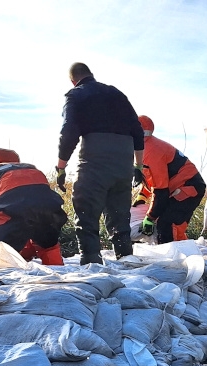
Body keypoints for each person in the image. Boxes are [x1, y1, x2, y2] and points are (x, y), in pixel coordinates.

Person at [56, 62, 145, 264]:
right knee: (119, 216)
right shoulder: (117, 94)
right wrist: (138, 166)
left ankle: (91, 265)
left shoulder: (76, 94)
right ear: (91, 74)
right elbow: (137, 131)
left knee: (86, 210)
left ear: (73, 79)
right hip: (123, 163)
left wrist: (61, 167)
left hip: (95, 160)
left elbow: (68, 132)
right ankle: (127, 262)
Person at [0, 148, 68, 267]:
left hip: (13, 207)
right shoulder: (31, 168)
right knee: (48, 244)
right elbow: (34, 205)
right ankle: (58, 274)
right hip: (50, 207)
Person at [136, 115, 207, 244]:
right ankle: (179, 254)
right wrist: (142, 196)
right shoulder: (144, 148)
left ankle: (176, 260)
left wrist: (150, 217)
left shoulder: (150, 151)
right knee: (167, 224)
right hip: (180, 187)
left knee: (167, 223)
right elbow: (151, 179)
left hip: (189, 187)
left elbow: (161, 191)